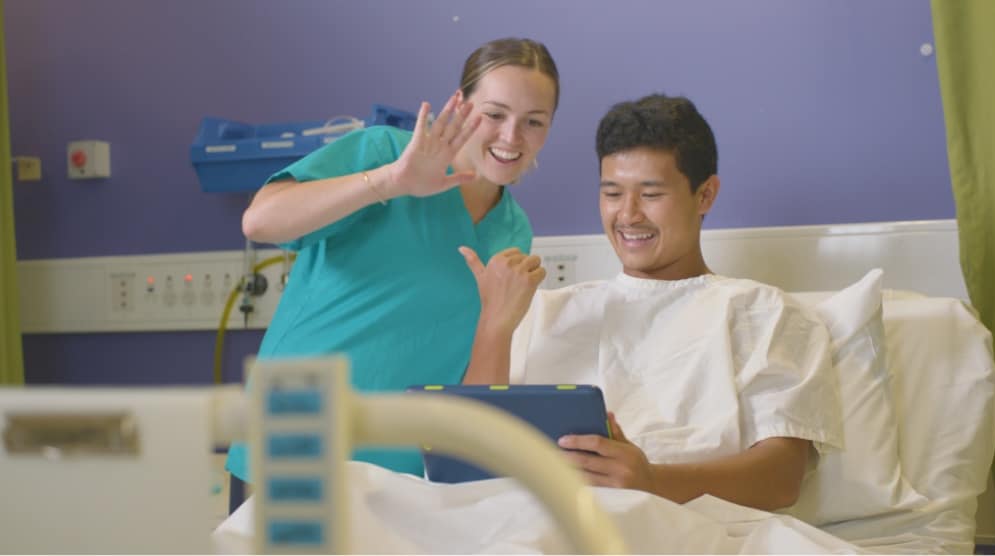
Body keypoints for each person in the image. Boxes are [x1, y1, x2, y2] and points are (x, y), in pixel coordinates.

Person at [459, 94, 842, 511]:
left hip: (683, 530)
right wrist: (494, 327)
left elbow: (781, 478)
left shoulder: (763, 313)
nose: (628, 215)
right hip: (536, 524)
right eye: (612, 193)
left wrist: (652, 481)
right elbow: (464, 453)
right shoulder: (549, 310)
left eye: (651, 194)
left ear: (705, 195)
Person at [225, 37, 560, 482]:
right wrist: (392, 181)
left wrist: (497, 325)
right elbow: (260, 222)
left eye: (533, 122)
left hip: (405, 477)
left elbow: (473, 390)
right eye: (495, 114)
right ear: (460, 106)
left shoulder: (513, 231)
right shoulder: (385, 151)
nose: (511, 137)